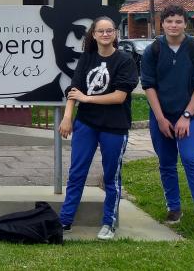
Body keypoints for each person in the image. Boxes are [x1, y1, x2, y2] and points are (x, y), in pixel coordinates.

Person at [57, 16, 137, 240]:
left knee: (111, 177)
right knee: (76, 173)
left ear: (115, 34)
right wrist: (67, 117)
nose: (105, 34)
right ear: (93, 35)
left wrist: (87, 98)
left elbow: (120, 96)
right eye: (100, 31)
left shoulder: (125, 60)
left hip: (114, 127)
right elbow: (74, 90)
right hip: (86, 124)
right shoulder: (87, 58)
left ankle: (108, 223)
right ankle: (65, 220)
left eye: (109, 30)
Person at [141, 5, 194, 236]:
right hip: (161, 116)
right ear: (161, 24)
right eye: (169, 21)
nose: (174, 25)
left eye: (178, 21)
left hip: (190, 116)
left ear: (186, 24)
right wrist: (161, 118)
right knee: (166, 162)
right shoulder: (153, 50)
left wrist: (186, 115)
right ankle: (173, 208)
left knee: (191, 159)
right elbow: (148, 85)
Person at [17, 0, 120, 102]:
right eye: (65, 34)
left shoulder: (115, 84)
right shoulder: (40, 95)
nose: (76, 49)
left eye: (86, 39)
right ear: (54, 42)